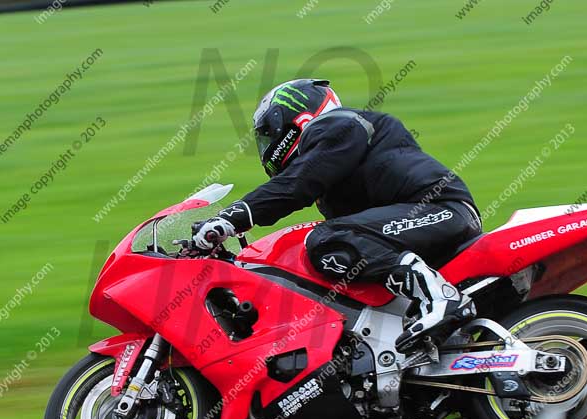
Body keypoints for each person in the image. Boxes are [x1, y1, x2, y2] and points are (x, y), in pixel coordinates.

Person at [192, 79, 482, 354]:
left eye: (269, 133)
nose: (267, 144)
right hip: (417, 221)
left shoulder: (342, 126)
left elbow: (297, 184)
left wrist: (233, 217)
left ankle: (441, 299)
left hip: (441, 211)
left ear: (296, 119)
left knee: (327, 240)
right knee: (332, 248)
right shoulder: (336, 166)